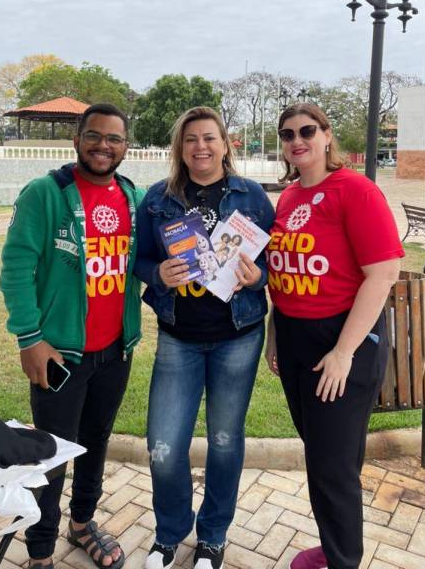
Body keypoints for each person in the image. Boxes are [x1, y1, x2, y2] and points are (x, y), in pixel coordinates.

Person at [0, 103, 145, 569]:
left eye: (114, 138)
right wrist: (29, 338)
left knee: (95, 442)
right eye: (94, 136)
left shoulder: (133, 197)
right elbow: (16, 268)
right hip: (60, 354)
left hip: (115, 352)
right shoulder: (45, 194)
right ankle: (40, 551)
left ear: (126, 146)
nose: (104, 145)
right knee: (52, 455)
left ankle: (82, 524)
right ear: (77, 140)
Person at [134, 106, 275, 569]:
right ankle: (170, 532)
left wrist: (256, 277)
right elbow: (140, 260)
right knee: (163, 446)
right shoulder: (157, 199)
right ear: (180, 148)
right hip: (179, 337)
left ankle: (213, 536)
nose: (201, 147)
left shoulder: (252, 196)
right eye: (191, 139)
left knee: (225, 441)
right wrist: (158, 274)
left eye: (209, 137)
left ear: (225, 143)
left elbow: (272, 262)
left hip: (238, 336)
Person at [265, 103, 403, 569]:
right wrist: (275, 332)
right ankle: (334, 545)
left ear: (327, 136)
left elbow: (383, 274)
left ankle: (343, 559)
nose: (296, 141)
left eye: (307, 131)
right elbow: (283, 271)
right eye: (287, 134)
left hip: (341, 340)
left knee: (332, 467)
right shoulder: (289, 197)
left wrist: (344, 352)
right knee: (327, 456)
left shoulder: (355, 190)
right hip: (295, 338)